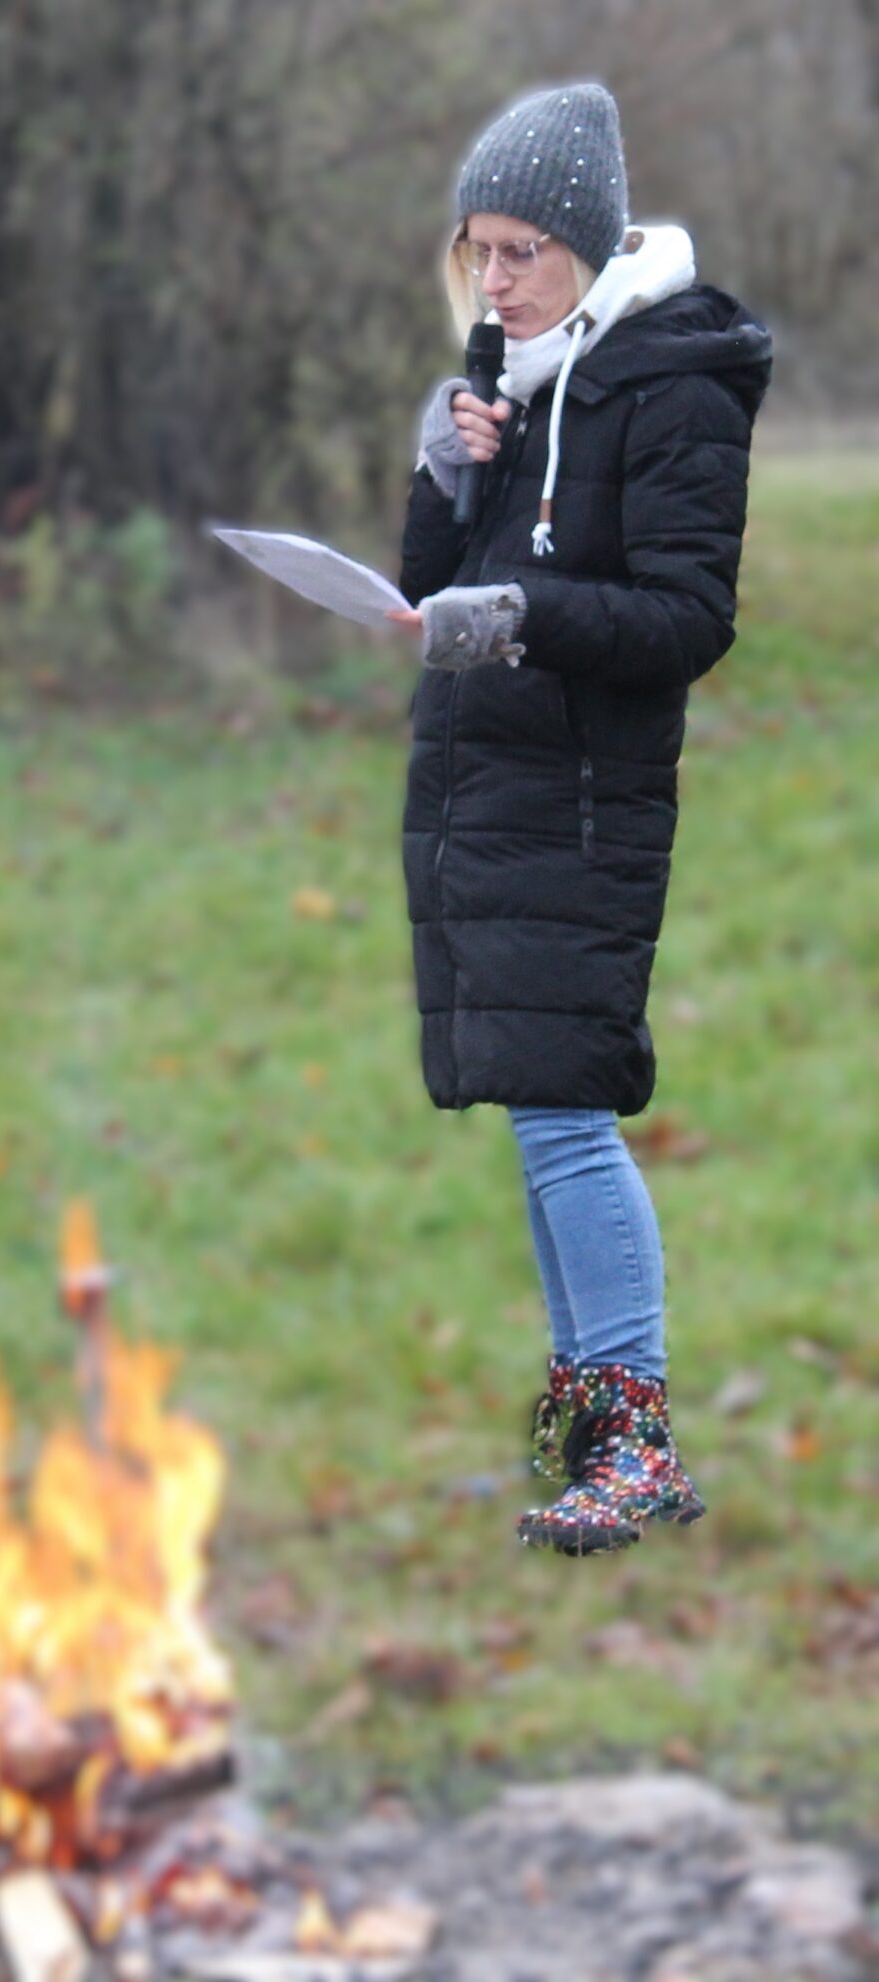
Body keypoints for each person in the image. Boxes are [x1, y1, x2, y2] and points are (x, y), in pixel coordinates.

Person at [391, 82, 771, 1555]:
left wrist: (520, 614)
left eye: (521, 251)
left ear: (592, 245)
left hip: (588, 802)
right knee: (538, 1110)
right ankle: (586, 1428)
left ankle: (637, 1434)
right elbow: (440, 589)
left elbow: (686, 615)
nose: (493, 281)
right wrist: (450, 481)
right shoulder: (525, 381)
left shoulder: (669, 381)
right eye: (476, 250)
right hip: (489, 791)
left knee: (566, 1112)